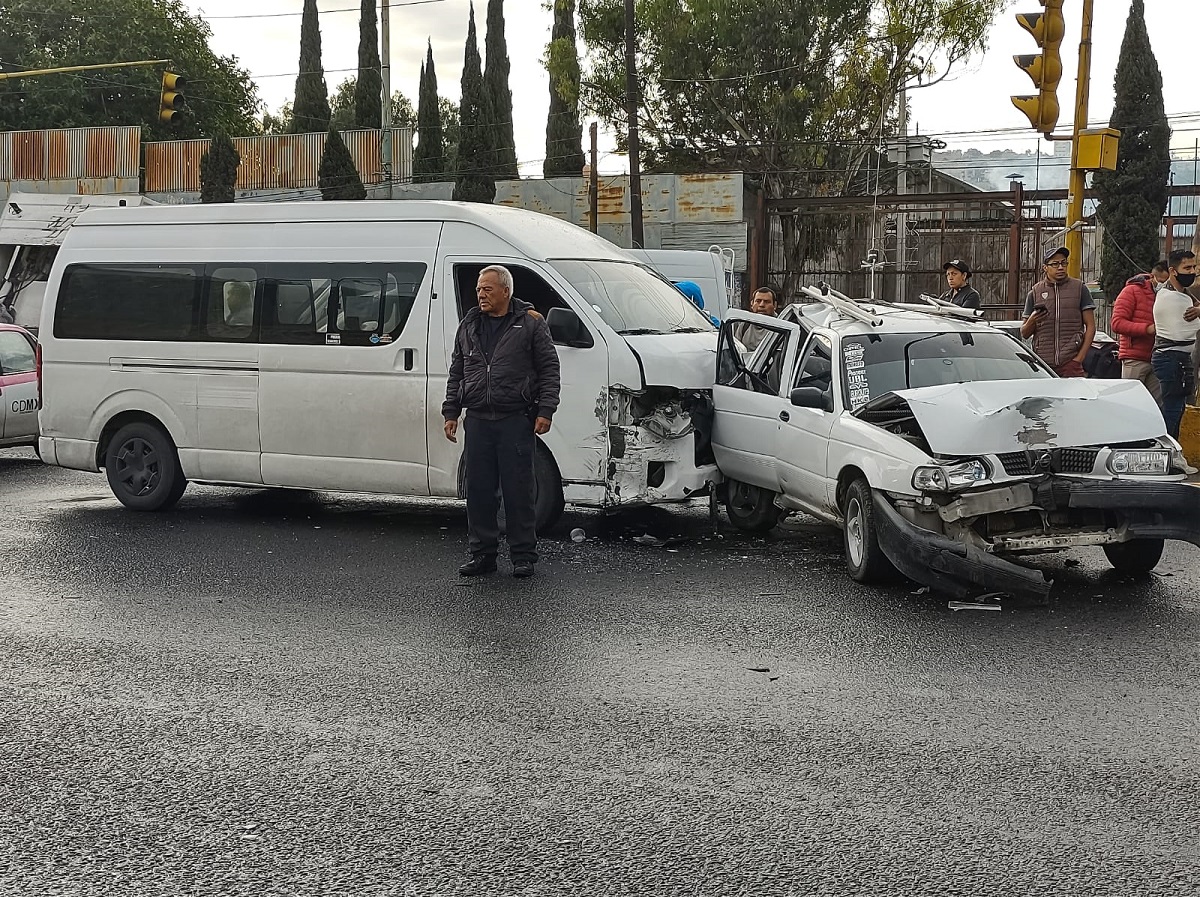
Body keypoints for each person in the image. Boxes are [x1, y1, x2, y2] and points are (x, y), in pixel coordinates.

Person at [443, 265, 561, 579]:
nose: (481, 294)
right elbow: (458, 372)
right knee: (479, 492)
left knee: (518, 491)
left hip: (515, 420)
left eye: (488, 289)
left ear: (505, 292)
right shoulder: (469, 325)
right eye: (479, 289)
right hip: (478, 421)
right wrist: (451, 412)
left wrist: (545, 411)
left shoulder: (531, 324)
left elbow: (549, 371)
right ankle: (483, 555)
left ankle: (523, 557)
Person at [1020, 246, 1095, 377]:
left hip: (1071, 362)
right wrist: (1032, 320)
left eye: (1063, 263)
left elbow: (1091, 326)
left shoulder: (1079, 288)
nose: (1060, 267)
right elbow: (1024, 333)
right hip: (1043, 365)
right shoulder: (1035, 292)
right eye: (1055, 264)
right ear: (1045, 268)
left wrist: (1079, 358)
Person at [1150, 249, 1200, 439]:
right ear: (1173, 270)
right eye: (1186, 268)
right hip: (1171, 358)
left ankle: (1173, 450)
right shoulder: (1170, 297)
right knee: (1172, 409)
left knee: (1177, 407)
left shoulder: (1183, 294)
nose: (1192, 272)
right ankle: (1169, 450)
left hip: (1178, 357)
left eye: (1193, 267)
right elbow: (1188, 329)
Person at [1110, 270, 1161, 403]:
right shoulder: (1132, 291)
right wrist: (1147, 329)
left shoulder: (1168, 294)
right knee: (1131, 403)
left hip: (1158, 358)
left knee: (1156, 406)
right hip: (1135, 357)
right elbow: (1117, 323)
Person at [734, 285, 781, 352]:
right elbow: (736, 349)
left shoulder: (781, 327)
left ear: (775, 305)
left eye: (767, 302)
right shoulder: (744, 325)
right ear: (752, 304)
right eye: (758, 301)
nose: (761, 305)